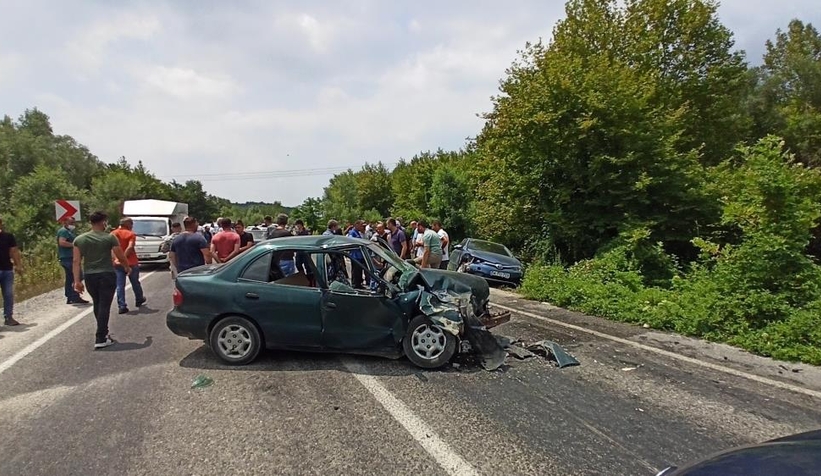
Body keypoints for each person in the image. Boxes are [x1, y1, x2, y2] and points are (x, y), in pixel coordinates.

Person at [73, 211, 130, 349]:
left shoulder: (79, 239)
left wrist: (77, 281)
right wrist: (127, 267)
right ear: (103, 222)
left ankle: (103, 332)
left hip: (90, 275)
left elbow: (76, 261)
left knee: (97, 304)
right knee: (105, 305)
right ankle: (101, 337)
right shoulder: (109, 238)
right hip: (106, 274)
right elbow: (120, 255)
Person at [111, 218, 146, 314]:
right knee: (135, 282)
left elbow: (111, 249)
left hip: (117, 264)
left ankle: (122, 305)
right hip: (131, 262)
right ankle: (139, 299)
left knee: (120, 285)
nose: (132, 226)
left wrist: (116, 259)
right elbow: (130, 247)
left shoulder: (113, 234)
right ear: (128, 224)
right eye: (131, 224)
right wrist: (124, 259)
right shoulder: (130, 234)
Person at [57, 216, 88, 305]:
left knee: (70, 277)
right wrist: (74, 245)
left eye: (73, 223)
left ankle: (70, 296)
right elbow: (62, 242)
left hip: (70, 257)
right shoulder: (63, 231)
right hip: (67, 258)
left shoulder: (69, 232)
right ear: (65, 222)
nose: (73, 225)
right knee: (78, 275)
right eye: (71, 223)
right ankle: (74, 296)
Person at [0, 217, 23, 326]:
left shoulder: (8, 237)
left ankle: (8, 317)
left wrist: (18, 265)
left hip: (7, 269)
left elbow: (14, 251)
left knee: (8, 294)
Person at [347, 220, 368, 288]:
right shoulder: (352, 233)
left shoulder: (358, 233)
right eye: (361, 225)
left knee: (359, 272)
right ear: (356, 225)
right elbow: (351, 241)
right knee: (356, 272)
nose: (362, 227)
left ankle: (359, 284)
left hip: (360, 256)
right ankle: (356, 285)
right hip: (355, 256)